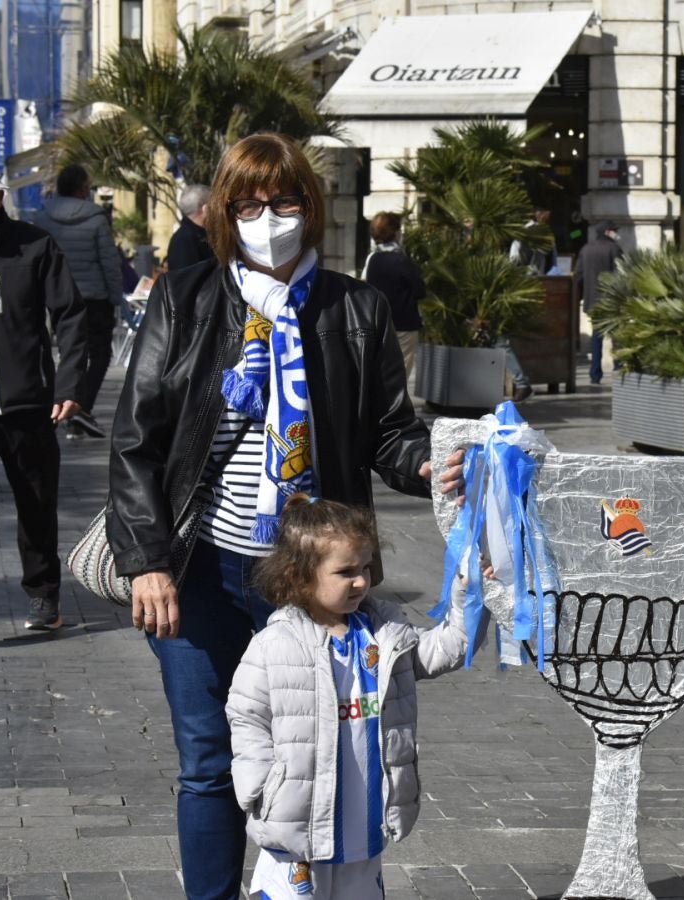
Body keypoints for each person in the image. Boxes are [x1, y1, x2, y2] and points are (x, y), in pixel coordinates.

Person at [106, 133, 464, 900]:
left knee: (313, 755)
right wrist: (146, 560)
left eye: (286, 201)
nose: (270, 217)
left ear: (311, 206)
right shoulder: (187, 297)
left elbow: (391, 434)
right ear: (226, 214)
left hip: (308, 581)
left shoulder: (356, 309)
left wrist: (432, 460)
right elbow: (138, 439)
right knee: (208, 761)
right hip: (200, 570)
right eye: (250, 204)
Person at [226, 495, 469, 899]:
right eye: (345, 572)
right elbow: (246, 714)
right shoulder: (275, 644)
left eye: (364, 569)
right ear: (299, 576)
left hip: (362, 821)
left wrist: (468, 594)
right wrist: (260, 786)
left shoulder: (384, 635)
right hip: (298, 826)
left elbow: (446, 649)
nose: (360, 581)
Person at [0, 158, 87, 631]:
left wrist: (69, 385)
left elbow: (70, 316)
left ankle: (44, 596)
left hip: (32, 404)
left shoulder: (35, 246)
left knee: (37, 506)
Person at [34, 164, 118, 438]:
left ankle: (66, 404)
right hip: (94, 296)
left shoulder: (43, 217)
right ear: (83, 189)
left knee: (70, 353)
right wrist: (116, 297)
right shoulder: (96, 218)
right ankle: (81, 408)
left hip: (55, 296)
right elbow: (108, 261)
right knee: (101, 354)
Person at [361, 211, 425, 392]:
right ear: (396, 232)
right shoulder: (401, 260)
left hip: (378, 321)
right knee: (402, 368)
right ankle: (397, 408)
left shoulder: (372, 259)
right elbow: (419, 290)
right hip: (404, 322)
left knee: (381, 368)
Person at [573, 220, 622, 384]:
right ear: (608, 232)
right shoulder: (613, 248)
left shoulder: (586, 249)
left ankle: (595, 373)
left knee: (596, 337)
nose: (616, 233)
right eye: (614, 230)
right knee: (616, 335)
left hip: (592, 300)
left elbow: (578, 275)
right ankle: (619, 368)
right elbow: (620, 273)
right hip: (610, 300)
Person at [167, 184, 213, 271]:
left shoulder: (200, 235)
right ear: (205, 208)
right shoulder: (184, 240)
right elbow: (185, 280)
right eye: (213, 205)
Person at [509, 207, 558, 275]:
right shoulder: (521, 235)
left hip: (537, 277)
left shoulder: (548, 236)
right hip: (529, 278)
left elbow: (553, 262)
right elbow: (514, 260)